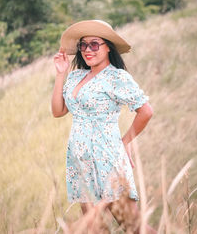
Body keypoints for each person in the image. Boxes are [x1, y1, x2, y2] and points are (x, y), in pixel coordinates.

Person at [51, 20, 154, 232]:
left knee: (134, 227)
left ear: (108, 47)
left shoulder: (116, 77)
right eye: (84, 45)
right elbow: (58, 111)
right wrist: (60, 73)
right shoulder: (76, 75)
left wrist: (125, 142)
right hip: (80, 161)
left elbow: (146, 111)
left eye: (95, 44)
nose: (88, 50)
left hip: (108, 157)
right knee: (94, 229)